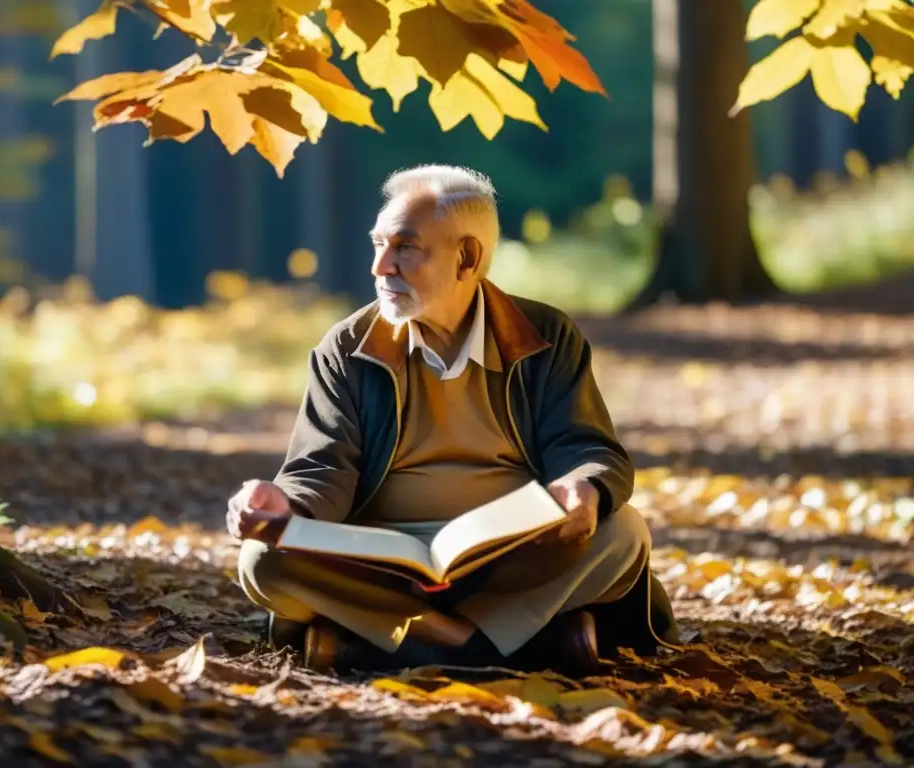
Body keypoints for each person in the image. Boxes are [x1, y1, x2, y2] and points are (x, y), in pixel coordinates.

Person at [227, 165, 679, 674]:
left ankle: (395, 644)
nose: (380, 267)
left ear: (466, 258)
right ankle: (488, 644)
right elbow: (323, 468)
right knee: (262, 558)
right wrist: (282, 504)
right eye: (377, 244)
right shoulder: (346, 347)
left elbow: (586, 448)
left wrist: (585, 490)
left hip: (512, 556)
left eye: (404, 248)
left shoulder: (547, 336)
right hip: (376, 562)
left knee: (623, 532)